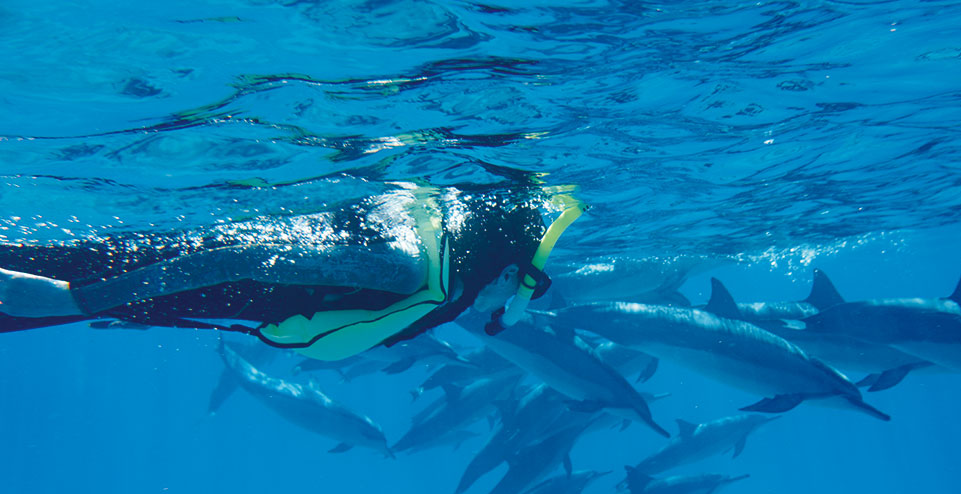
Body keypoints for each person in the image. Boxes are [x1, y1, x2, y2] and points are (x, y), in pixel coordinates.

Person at [0, 185, 584, 360]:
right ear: (507, 270)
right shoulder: (409, 266)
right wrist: (81, 300)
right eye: (527, 287)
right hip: (121, 280)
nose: (504, 311)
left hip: (148, 290)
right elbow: (243, 261)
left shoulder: (448, 275)